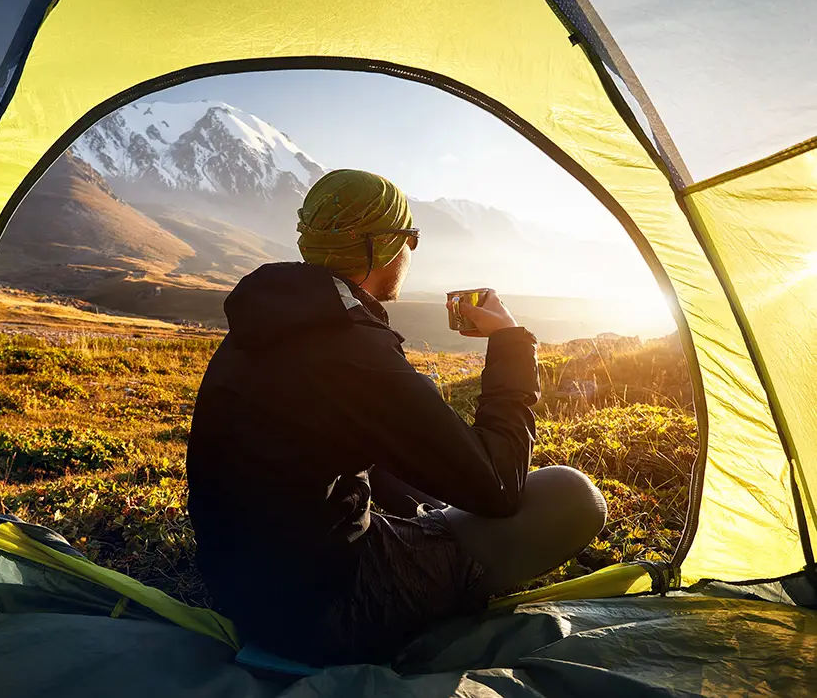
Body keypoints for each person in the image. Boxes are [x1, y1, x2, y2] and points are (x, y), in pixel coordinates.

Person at [186, 169, 606, 666]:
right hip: (323, 612)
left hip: (243, 584)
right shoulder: (350, 348)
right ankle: (442, 564)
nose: (412, 251)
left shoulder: (267, 320)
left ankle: (430, 527)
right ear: (382, 248)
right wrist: (510, 341)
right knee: (572, 495)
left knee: (417, 453)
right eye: (413, 238)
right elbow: (499, 487)